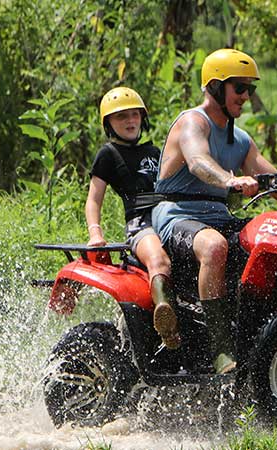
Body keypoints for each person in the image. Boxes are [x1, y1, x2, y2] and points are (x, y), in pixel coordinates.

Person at [152, 48, 277, 374]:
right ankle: (221, 350)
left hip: (218, 216)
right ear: (214, 87)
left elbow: (274, 180)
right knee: (215, 247)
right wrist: (231, 180)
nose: (246, 96)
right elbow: (199, 162)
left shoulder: (239, 138)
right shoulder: (192, 123)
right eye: (239, 88)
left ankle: (261, 332)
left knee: (272, 242)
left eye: (250, 89)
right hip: (178, 214)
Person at [86, 86, 180, 350]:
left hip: (171, 217)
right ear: (109, 124)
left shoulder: (154, 152)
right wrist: (96, 232)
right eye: (121, 117)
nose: (130, 121)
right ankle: (167, 325)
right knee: (158, 259)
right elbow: (94, 199)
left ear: (143, 117)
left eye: (134, 115)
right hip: (142, 224)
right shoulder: (108, 155)